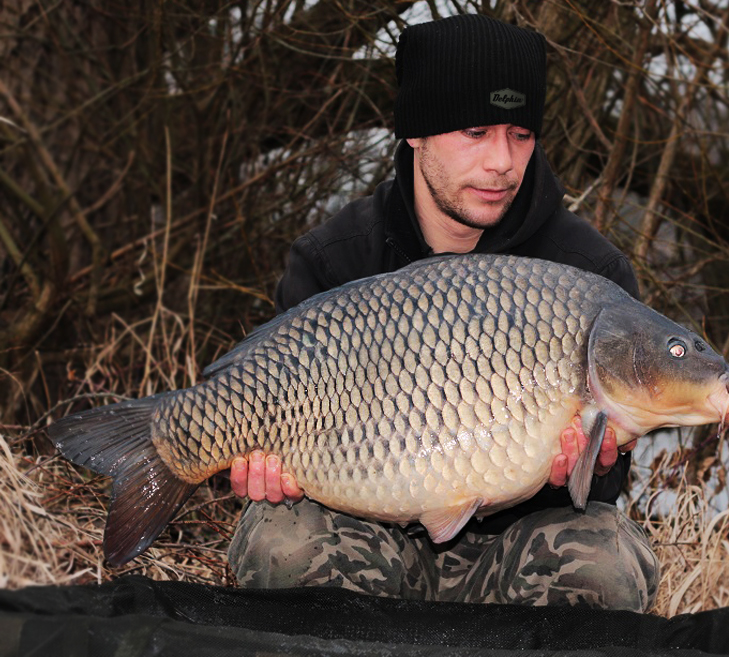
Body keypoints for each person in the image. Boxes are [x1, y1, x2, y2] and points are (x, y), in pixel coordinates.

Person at [227, 13, 659, 610]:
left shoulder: (590, 274)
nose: (503, 162)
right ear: (416, 133)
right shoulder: (334, 257)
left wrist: (596, 461)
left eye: (520, 135)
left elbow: (605, 490)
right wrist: (266, 475)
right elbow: (275, 430)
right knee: (283, 541)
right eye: (476, 131)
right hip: (371, 536)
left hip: (516, 550)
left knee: (605, 564)